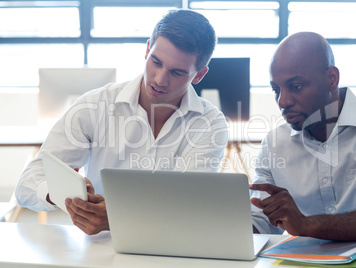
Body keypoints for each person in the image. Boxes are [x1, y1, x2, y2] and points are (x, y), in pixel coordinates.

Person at [15, 9, 228, 235]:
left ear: (198, 75)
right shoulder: (95, 106)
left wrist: (119, 217)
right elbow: (27, 185)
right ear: (147, 50)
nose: (159, 79)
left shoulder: (210, 123)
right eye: (156, 62)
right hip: (99, 249)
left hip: (171, 248)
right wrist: (66, 194)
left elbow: (191, 207)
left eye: (176, 72)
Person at [249, 32, 356, 241]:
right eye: (276, 90)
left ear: (332, 79)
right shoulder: (274, 144)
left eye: (295, 87)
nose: (282, 101)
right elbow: (259, 221)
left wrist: (306, 224)